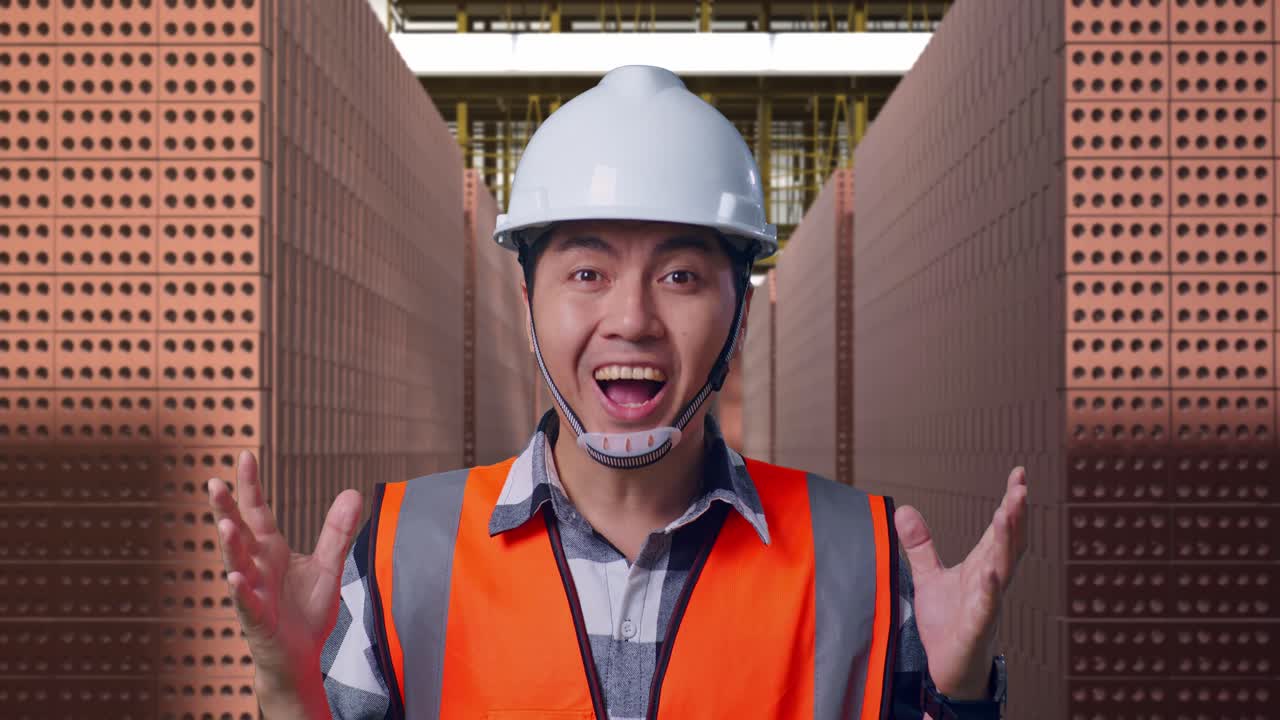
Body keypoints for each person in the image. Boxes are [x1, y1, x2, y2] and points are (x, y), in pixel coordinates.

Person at [207, 65, 1026, 720]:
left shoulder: (866, 560)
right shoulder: (397, 555)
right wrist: (289, 688)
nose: (631, 319)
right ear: (527, 304)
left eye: (680, 276)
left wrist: (959, 698)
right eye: (588, 273)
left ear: (741, 312)